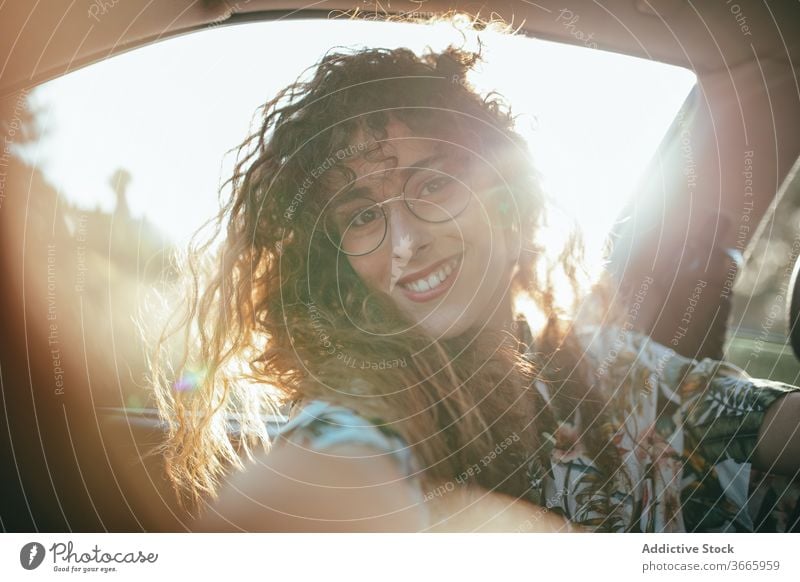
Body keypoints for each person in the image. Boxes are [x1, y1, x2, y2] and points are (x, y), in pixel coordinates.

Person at [151, 31, 800, 532]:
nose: (406, 243)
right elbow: (315, 486)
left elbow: (759, 423)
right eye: (364, 215)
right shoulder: (368, 409)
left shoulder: (608, 370)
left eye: (432, 184)